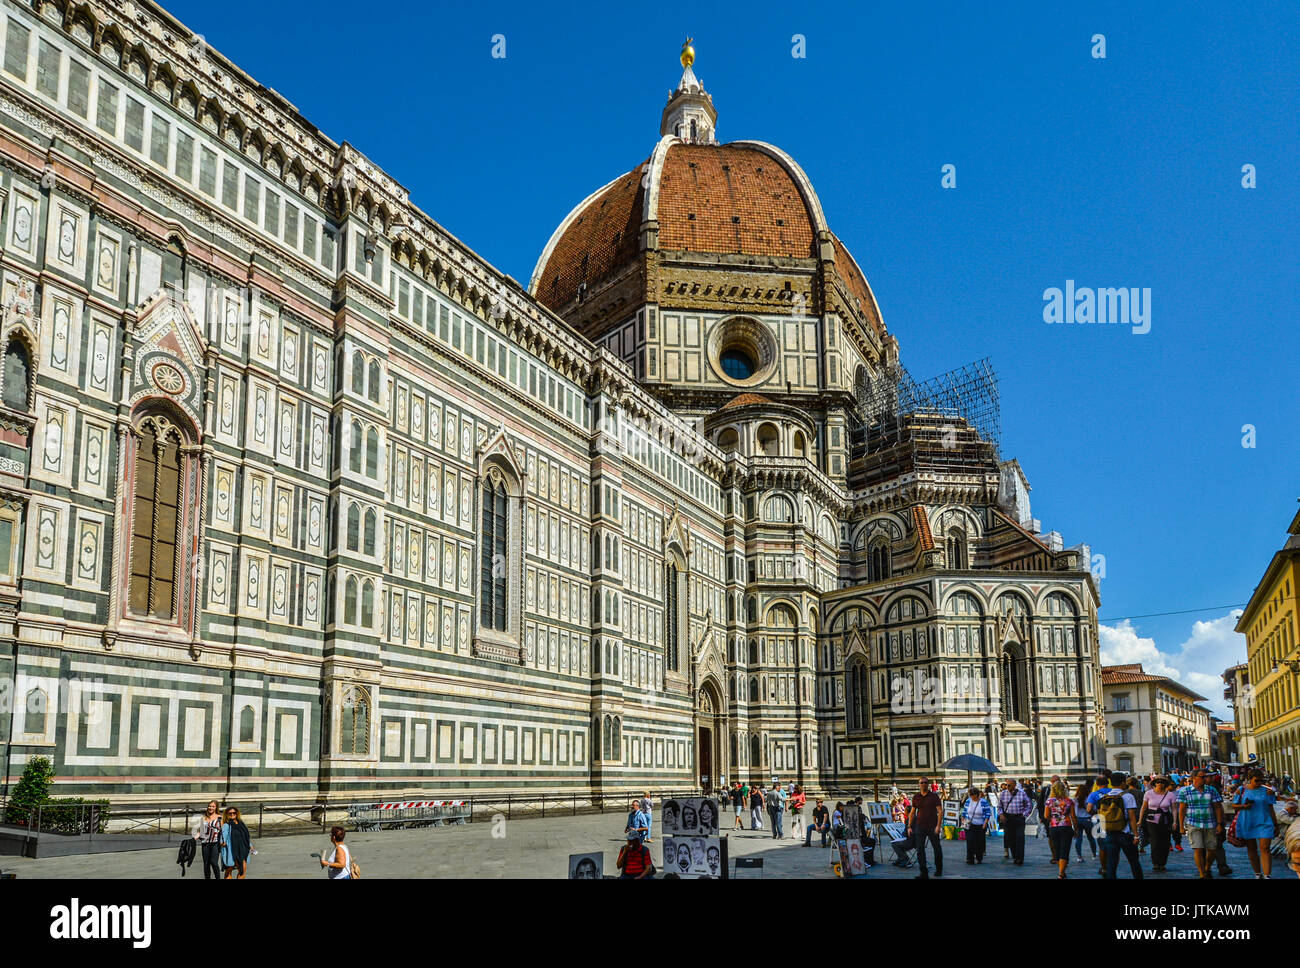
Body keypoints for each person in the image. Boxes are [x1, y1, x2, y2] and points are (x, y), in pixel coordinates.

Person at [1089, 771, 1142, 880]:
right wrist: (1136, 835)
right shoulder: (1127, 796)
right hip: (1125, 832)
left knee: (1111, 863)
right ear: (1122, 783)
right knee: (1133, 861)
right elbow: (1132, 817)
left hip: (1109, 832)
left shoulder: (1105, 797)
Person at [1176, 768, 1223, 879]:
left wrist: (1219, 823)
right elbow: (1182, 809)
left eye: (1205, 777)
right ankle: (1202, 874)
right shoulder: (1185, 791)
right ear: (1194, 778)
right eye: (1202, 777)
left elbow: (1217, 807)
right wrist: (1181, 826)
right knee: (1198, 848)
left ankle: (1207, 867)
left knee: (1212, 849)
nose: (1205, 779)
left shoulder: (1211, 790)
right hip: (1193, 823)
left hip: (1210, 823)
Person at [1233, 768, 1278, 879]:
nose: (1259, 783)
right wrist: (1244, 806)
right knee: (1251, 848)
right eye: (1256, 780)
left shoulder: (1267, 791)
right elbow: (1234, 805)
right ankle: (1257, 873)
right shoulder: (1241, 790)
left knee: (1265, 848)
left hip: (1265, 821)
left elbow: (1271, 808)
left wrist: (1275, 824)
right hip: (1248, 821)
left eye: (1261, 781)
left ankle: (1267, 875)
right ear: (1250, 779)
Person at [906, 777, 943, 879]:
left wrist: (938, 826)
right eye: (921, 783)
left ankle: (939, 869)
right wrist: (909, 826)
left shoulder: (934, 796)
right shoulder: (916, 797)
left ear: (928, 784)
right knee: (920, 850)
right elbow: (912, 812)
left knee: (937, 848)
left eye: (925, 782)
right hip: (920, 826)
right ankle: (923, 873)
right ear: (919, 784)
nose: (923, 784)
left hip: (932, 826)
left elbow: (940, 812)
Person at [1138, 776, 1177, 872]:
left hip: (1165, 821)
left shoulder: (1170, 795)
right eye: (1158, 782)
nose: (1160, 783)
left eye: (1162, 782)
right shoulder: (1148, 793)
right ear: (1154, 783)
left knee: (1165, 842)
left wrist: (1175, 821)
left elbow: (1174, 809)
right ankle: (1155, 862)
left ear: (1165, 784)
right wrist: (1140, 820)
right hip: (1152, 821)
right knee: (1155, 841)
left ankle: (1162, 863)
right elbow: (1143, 807)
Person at [1043, 780, 1076, 878]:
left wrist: (1052, 819)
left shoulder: (1049, 801)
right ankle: (1061, 872)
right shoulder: (1069, 801)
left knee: (1057, 849)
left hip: (1054, 827)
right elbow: (1073, 816)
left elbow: (1046, 816)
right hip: (1066, 826)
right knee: (1065, 849)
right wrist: (1076, 829)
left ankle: (1061, 871)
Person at [997, 778, 1033, 865]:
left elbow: (1029, 804)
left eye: (1009, 785)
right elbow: (999, 806)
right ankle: (1015, 856)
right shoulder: (1003, 794)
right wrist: (1001, 814)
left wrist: (1024, 814)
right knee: (1010, 838)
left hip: (1019, 817)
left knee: (1020, 837)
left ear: (1014, 785)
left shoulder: (1022, 793)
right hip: (1008, 818)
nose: (1007, 787)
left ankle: (1020, 858)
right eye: (1006, 785)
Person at [191, 800, 223, 880]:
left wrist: (224, 842)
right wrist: (193, 839)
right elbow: (200, 832)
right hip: (205, 843)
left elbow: (224, 831)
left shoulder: (220, 818)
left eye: (213, 806)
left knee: (214, 863)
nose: (210, 808)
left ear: (216, 808)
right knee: (206, 864)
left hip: (215, 843)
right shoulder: (203, 818)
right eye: (209, 806)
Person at [219, 806, 252, 879]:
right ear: (227, 814)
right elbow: (223, 835)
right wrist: (222, 842)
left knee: (242, 869)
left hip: (243, 849)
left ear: (237, 813)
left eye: (234, 813)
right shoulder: (226, 825)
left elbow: (245, 836)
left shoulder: (241, 824)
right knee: (229, 869)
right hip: (232, 850)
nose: (232, 814)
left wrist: (250, 845)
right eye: (230, 813)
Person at [963, 787, 992, 864]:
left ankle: (979, 857)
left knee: (979, 842)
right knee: (970, 841)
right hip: (969, 824)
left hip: (980, 824)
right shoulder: (968, 801)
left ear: (976, 795)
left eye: (972, 795)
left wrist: (985, 823)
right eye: (970, 795)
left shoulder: (983, 802)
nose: (971, 796)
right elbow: (964, 811)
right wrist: (963, 820)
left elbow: (988, 813)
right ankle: (970, 858)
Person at [1073, 779, 1097, 863]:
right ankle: (1094, 854)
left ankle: (1079, 856)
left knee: (1078, 839)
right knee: (1091, 838)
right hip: (1087, 819)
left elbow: (1074, 812)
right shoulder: (1089, 799)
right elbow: (1093, 809)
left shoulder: (1075, 799)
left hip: (1078, 820)